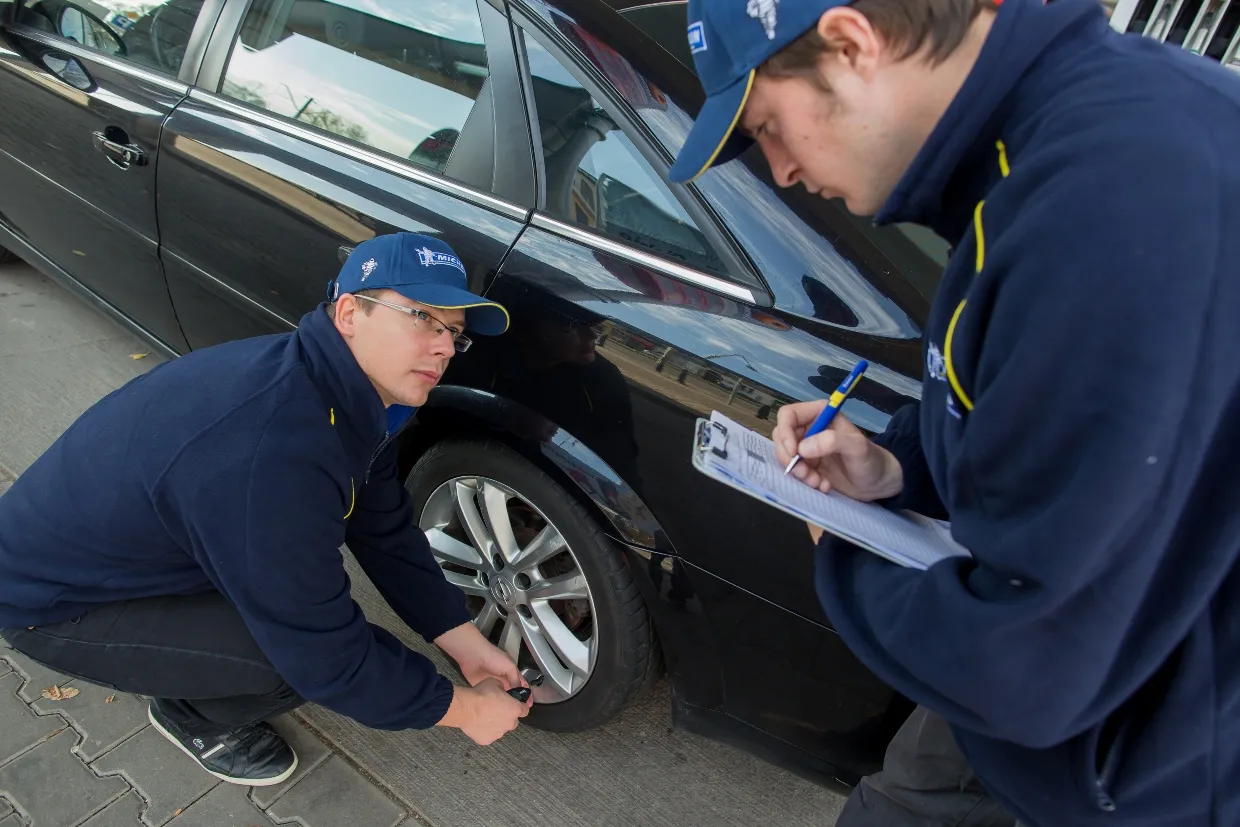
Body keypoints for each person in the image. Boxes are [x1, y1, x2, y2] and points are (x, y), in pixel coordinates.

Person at [669, 1, 1239, 826]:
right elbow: (1027, 410)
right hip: (1081, 735)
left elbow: (1032, 664)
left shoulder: (1110, 205)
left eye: (769, 128)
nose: (782, 172)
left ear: (851, 42)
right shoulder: (1034, 155)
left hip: (1149, 772)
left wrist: (844, 553)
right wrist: (897, 468)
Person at [0, 232, 534, 787]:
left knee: (286, 607)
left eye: (453, 332)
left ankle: (188, 652)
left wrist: (459, 637)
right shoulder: (271, 451)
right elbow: (327, 658)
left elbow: (382, 525)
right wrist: (465, 709)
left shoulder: (343, 393)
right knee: (284, 664)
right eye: (422, 317)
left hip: (139, 549)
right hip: (54, 602)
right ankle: (191, 716)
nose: (444, 346)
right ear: (350, 312)